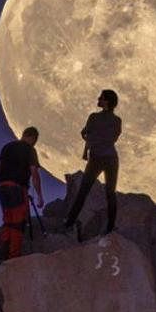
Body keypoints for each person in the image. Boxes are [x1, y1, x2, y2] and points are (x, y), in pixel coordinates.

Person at [64, 89, 122, 235]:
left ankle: (69, 222)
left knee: (83, 191)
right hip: (110, 158)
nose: (98, 99)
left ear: (107, 101)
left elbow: (85, 133)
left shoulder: (94, 117)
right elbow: (113, 138)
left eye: (101, 98)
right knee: (110, 192)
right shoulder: (117, 121)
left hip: (97, 158)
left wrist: (89, 143)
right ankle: (110, 228)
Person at [0, 126, 44, 260]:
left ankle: (2, 254)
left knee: (8, 220)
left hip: (2, 186)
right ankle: (13, 257)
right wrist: (39, 195)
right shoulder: (29, 150)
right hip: (17, 188)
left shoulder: (7, 147)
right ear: (33, 138)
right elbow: (34, 173)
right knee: (18, 222)